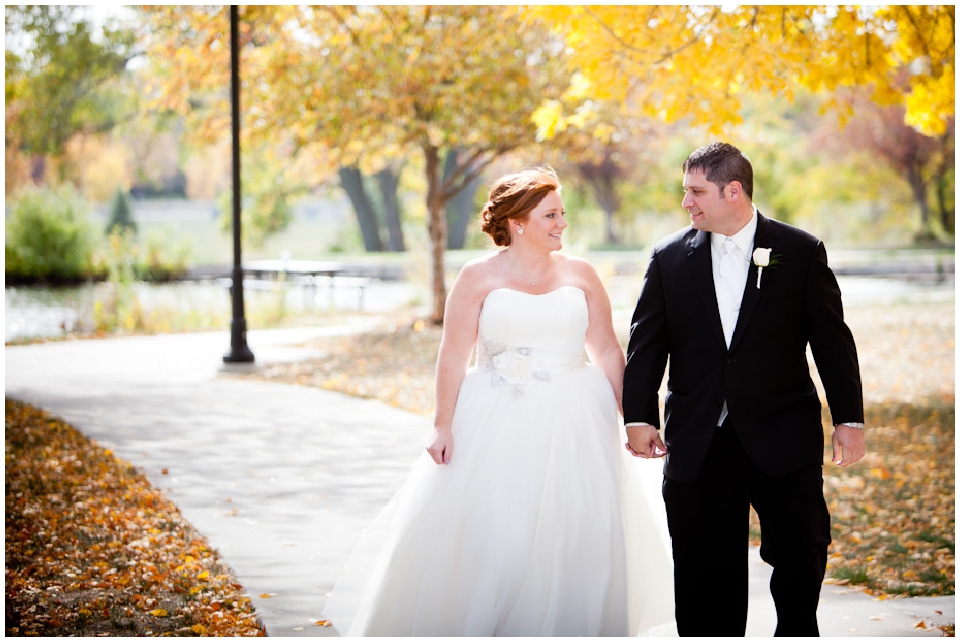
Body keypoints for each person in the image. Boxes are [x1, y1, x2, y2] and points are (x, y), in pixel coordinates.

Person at [322, 165, 674, 636]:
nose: (562, 224)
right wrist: (442, 423)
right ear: (517, 221)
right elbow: (453, 353)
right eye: (550, 214)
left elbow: (608, 349)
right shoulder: (477, 276)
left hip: (576, 424)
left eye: (562, 213)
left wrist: (632, 420)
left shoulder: (581, 274)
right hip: (495, 418)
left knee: (574, 534)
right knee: (499, 536)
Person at [623, 142, 866, 636]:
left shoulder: (800, 251)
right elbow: (645, 343)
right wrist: (639, 415)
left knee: (802, 552)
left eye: (696, 192)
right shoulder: (668, 258)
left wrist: (849, 419)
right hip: (699, 440)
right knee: (701, 569)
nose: (686, 203)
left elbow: (832, 342)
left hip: (784, 436)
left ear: (733, 191)